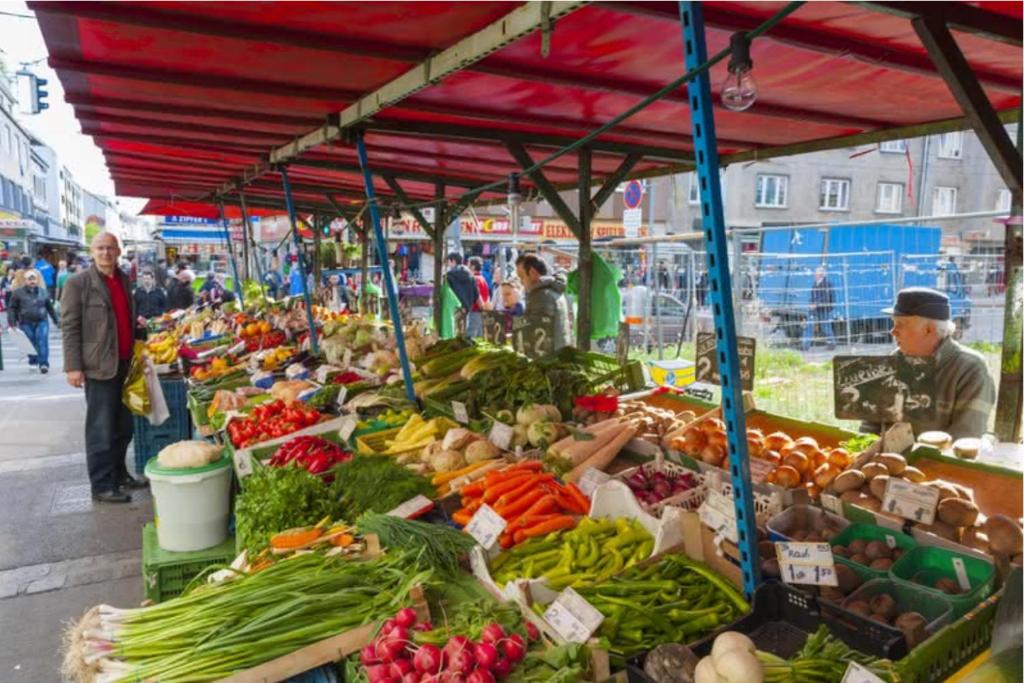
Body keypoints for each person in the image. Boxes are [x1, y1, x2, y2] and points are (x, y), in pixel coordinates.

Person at [61, 232, 148, 504]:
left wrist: (137, 328)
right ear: (92, 251)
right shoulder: (79, 283)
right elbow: (70, 326)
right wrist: (73, 367)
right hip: (99, 365)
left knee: (123, 426)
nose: (105, 253)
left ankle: (120, 475)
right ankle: (101, 485)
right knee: (101, 428)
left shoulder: (122, 279)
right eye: (100, 248)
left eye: (110, 248)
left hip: (124, 362)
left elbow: (122, 316)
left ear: (119, 251)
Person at [861, 287, 995, 440]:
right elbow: (870, 426)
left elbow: (965, 437)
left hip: (938, 462)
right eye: (894, 323)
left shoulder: (970, 369)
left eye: (901, 324)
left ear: (929, 330)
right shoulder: (895, 360)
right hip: (889, 461)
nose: (893, 331)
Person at [515, 253, 570, 351]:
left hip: (549, 359)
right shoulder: (551, 289)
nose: (520, 282)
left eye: (521, 276)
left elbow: (538, 330)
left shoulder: (542, 295)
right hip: (558, 352)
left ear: (532, 272)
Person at [7, 269, 59, 372]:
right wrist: (12, 322)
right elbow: (12, 308)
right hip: (25, 321)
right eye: (29, 279)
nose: (32, 281)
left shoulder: (43, 292)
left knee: (42, 341)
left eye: (34, 279)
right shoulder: (18, 293)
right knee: (30, 342)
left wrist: (56, 320)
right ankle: (33, 360)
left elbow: (49, 307)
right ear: (25, 280)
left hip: (42, 321)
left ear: (36, 280)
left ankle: (44, 364)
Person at [802, 266, 836, 351]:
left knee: (825, 326)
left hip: (823, 308)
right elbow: (813, 296)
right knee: (809, 325)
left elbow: (826, 298)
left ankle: (831, 343)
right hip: (814, 309)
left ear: (821, 274)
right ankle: (805, 345)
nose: (814, 274)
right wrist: (811, 303)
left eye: (816, 273)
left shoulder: (827, 284)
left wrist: (816, 304)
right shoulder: (815, 284)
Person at [445, 253, 479, 334]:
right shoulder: (471, 276)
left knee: (452, 334)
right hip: (466, 310)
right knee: (463, 333)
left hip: (453, 309)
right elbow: (476, 295)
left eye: (448, 262)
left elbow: (447, 294)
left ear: (453, 261)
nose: (448, 265)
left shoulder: (449, 275)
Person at [467, 256, 490, 338]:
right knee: (479, 337)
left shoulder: (475, 279)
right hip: (481, 313)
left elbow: (477, 296)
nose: (467, 268)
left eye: (468, 265)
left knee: (470, 337)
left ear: (472, 267)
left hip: (475, 312)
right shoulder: (483, 279)